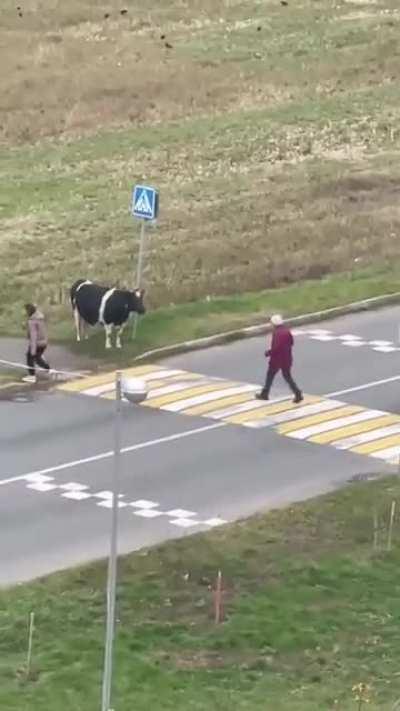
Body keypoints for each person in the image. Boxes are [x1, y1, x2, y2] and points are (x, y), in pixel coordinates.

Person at [256, 314, 303, 403]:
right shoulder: (286, 331)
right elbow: (291, 343)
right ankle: (298, 394)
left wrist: (268, 353)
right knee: (287, 376)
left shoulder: (277, 333)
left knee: (270, 376)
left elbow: (276, 347)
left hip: (277, 359)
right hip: (287, 358)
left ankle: (265, 394)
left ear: (274, 323)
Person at [22, 303, 50, 383]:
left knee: (30, 357)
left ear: (29, 311)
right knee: (37, 358)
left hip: (36, 343)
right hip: (44, 342)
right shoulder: (39, 318)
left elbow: (33, 335)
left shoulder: (32, 321)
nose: (24, 312)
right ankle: (47, 368)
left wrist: (33, 350)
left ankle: (32, 376)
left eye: (25, 310)